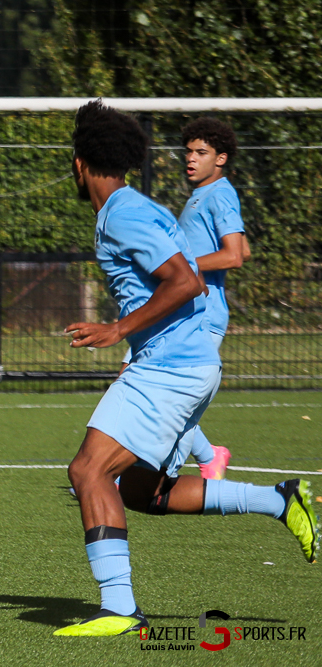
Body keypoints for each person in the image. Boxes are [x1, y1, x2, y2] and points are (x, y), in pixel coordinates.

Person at [56, 101, 318, 637]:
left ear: (80, 164)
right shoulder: (131, 208)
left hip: (170, 368)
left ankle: (120, 609)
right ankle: (279, 500)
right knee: (141, 492)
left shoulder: (125, 213)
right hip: (185, 363)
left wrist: (118, 329)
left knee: (88, 472)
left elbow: (185, 281)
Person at [118, 118, 251, 480]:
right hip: (181, 311)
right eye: (189, 151)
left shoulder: (220, 193)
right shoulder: (203, 195)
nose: (191, 158)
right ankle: (207, 456)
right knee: (135, 380)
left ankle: (121, 476)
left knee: (151, 389)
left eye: (201, 152)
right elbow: (244, 248)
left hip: (203, 315)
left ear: (221, 158)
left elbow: (234, 256)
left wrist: (181, 267)